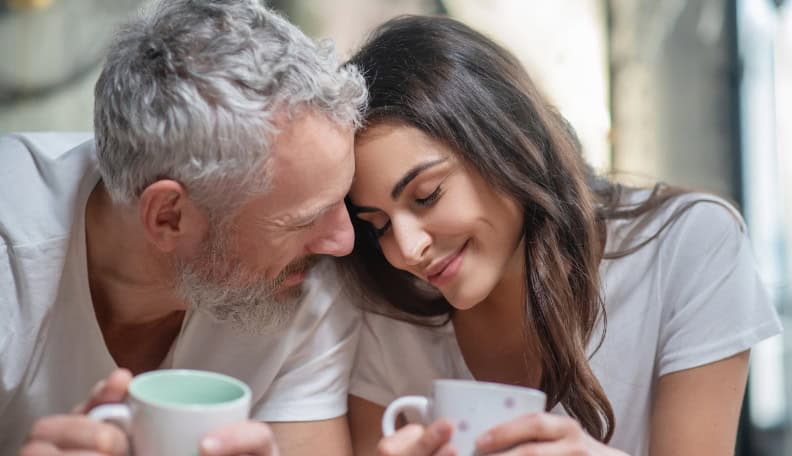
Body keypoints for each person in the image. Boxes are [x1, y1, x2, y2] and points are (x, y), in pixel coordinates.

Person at [342, 15, 783, 456]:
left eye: (427, 196)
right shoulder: (386, 311)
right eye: (378, 224)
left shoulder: (688, 245)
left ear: (508, 142)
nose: (408, 249)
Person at [1, 1, 367, 455]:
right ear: (168, 216)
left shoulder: (301, 282)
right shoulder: (11, 261)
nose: (345, 242)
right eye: (305, 219)